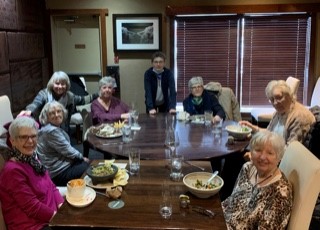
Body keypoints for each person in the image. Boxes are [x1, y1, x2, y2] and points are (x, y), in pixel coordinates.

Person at [0, 116, 64, 229]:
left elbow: (51, 186)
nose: (30, 141)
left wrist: (62, 206)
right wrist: (61, 219)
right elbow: (32, 207)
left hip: (50, 218)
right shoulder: (12, 171)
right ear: (12, 140)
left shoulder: (33, 159)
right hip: (33, 225)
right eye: (24, 137)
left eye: (33, 136)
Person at [222, 130, 293, 229]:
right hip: (221, 220)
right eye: (258, 150)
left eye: (270, 153)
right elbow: (231, 202)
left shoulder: (280, 192)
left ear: (279, 157)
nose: (263, 157)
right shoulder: (247, 168)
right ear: (251, 152)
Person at [240, 80, 315, 158]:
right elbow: (270, 132)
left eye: (279, 98)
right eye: (272, 99)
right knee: (239, 153)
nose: (275, 103)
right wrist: (253, 128)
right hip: (273, 153)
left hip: (285, 163)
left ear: (289, 95)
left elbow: (290, 151)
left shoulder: (300, 117)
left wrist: (260, 156)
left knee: (237, 160)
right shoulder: (280, 111)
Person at [18, 71, 97, 132]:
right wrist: (29, 111)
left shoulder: (69, 96)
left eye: (63, 84)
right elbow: (35, 104)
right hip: (46, 130)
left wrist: (99, 94)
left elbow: (83, 100)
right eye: (57, 83)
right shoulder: (44, 94)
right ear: (52, 84)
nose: (60, 87)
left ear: (67, 85)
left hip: (64, 130)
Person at [36, 101, 90, 186]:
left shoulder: (49, 128)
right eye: (52, 113)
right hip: (58, 173)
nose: (57, 115)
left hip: (59, 167)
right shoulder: (51, 131)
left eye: (59, 111)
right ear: (47, 117)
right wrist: (82, 157)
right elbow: (68, 150)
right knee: (88, 167)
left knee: (85, 164)